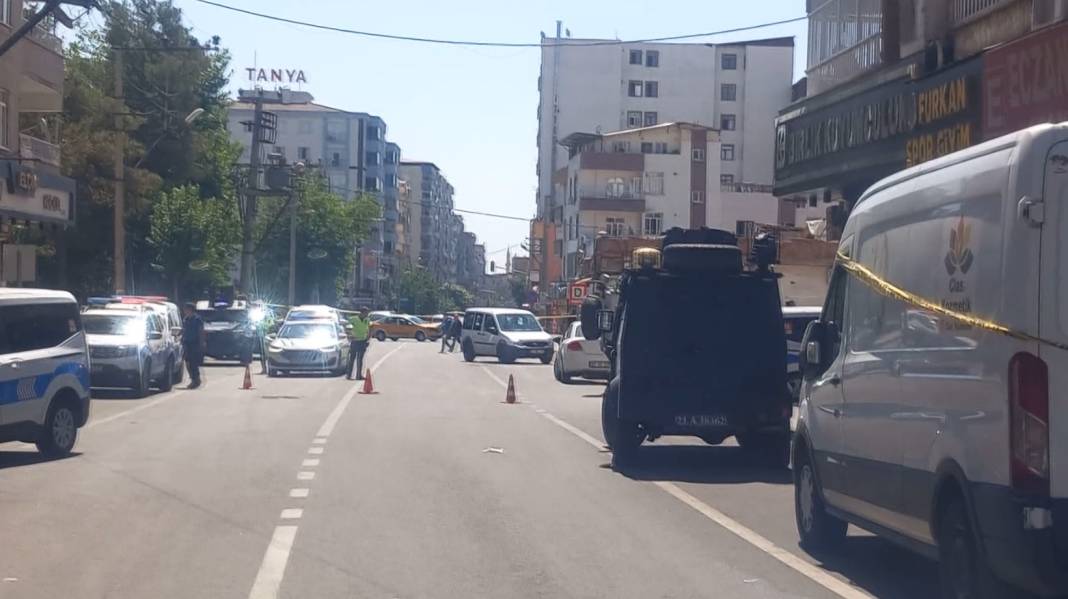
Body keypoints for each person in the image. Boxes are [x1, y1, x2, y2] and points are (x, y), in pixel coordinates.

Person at [181, 302, 206, 389]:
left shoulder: (197, 319)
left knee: (193, 363)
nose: (185, 311)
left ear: (190, 310)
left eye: (186, 309)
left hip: (195, 343)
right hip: (187, 343)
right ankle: (193, 378)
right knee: (187, 362)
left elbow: (201, 331)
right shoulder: (186, 319)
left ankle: (196, 380)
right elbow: (184, 331)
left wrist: (202, 343)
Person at [346, 308, 371, 380]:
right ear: (362, 313)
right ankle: (349, 375)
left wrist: (368, 338)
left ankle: (358, 375)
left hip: (363, 341)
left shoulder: (367, 320)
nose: (367, 315)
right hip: (355, 341)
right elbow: (347, 327)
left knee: (360, 359)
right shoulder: (353, 319)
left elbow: (369, 328)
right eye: (366, 313)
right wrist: (349, 335)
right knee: (352, 358)